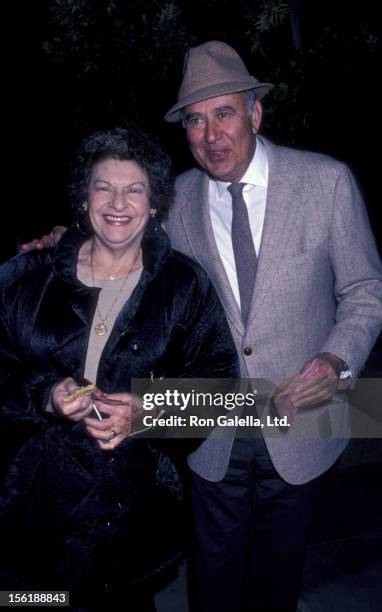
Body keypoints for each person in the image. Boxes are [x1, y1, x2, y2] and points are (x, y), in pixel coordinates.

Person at [20, 42, 382, 612]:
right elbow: (116, 224)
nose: (211, 134)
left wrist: (336, 361)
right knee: (212, 581)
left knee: (279, 580)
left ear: (255, 114)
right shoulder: (178, 199)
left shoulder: (327, 182)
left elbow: (364, 290)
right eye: (195, 119)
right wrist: (54, 245)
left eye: (224, 113)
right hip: (206, 418)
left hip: (309, 412)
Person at [0, 127, 239, 610]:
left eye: (134, 189)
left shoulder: (184, 285)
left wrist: (148, 413)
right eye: (103, 186)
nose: (118, 202)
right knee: (32, 602)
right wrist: (45, 394)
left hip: (130, 516)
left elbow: (222, 389)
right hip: (32, 504)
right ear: (83, 198)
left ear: (154, 205)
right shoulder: (24, 278)